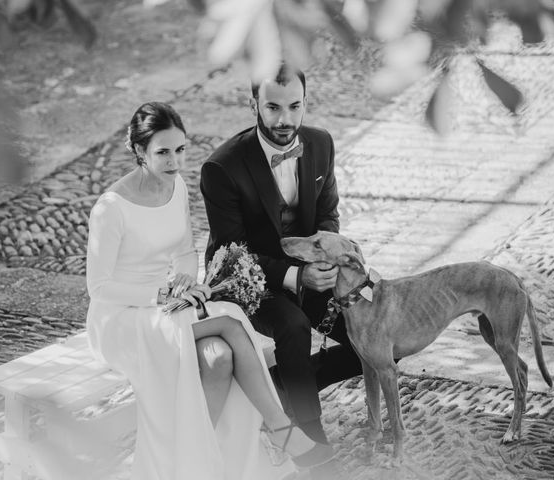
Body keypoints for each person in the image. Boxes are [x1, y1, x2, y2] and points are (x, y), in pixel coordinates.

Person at [85, 101, 333, 480]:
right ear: (139, 151)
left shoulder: (177, 187)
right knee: (232, 322)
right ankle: (281, 429)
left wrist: (187, 281)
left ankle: (193, 465)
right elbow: (99, 288)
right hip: (121, 319)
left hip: (169, 307)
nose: (174, 162)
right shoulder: (111, 209)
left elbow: (185, 253)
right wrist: (160, 295)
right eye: (163, 152)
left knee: (218, 358)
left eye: (180, 150)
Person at [201, 64, 364, 448]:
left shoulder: (321, 143)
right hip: (247, 279)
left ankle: (283, 383)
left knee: (377, 332)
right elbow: (232, 251)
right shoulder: (221, 167)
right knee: (293, 326)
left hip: (310, 267)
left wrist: (323, 262)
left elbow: (327, 214)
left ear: (306, 102)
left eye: (295, 106)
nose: (284, 119)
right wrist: (295, 277)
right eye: (272, 107)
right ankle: (309, 432)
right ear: (253, 104)